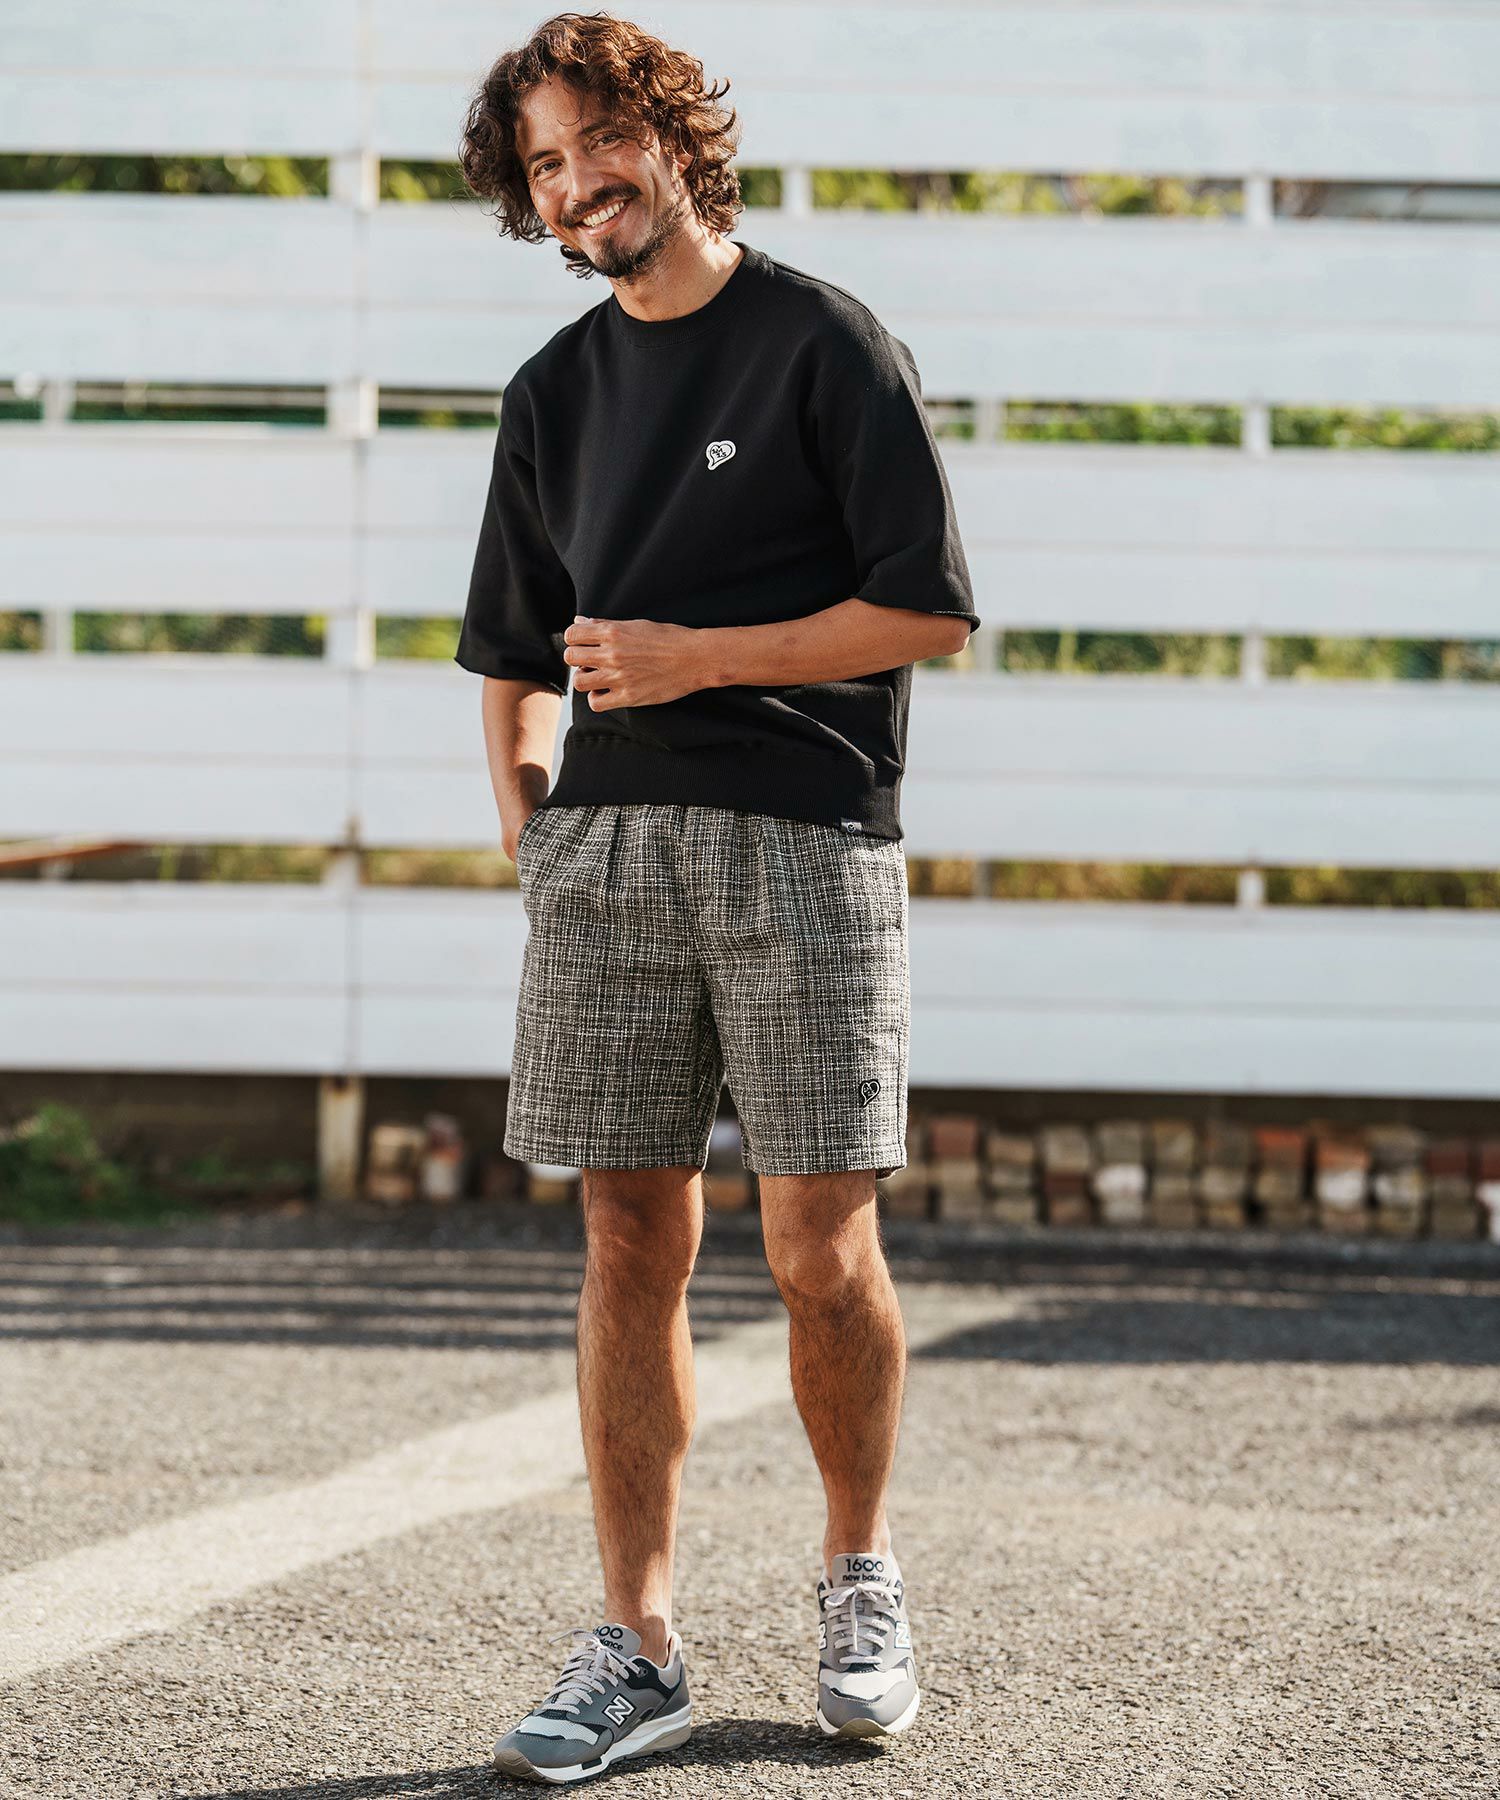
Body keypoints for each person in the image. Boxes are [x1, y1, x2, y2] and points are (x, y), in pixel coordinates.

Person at [456, 12, 979, 1784]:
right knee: (627, 1238)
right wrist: (529, 824)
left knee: (818, 1245)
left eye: (601, 141)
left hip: (806, 843)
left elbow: (927, 612)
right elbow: (510, 649)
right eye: (544, 164)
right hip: (605, 860)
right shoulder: (552, 394)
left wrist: (699, 658)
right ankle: (640, 1643)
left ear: (676, 139)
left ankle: (860, 1575)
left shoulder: (826, 343)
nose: (576, 183)